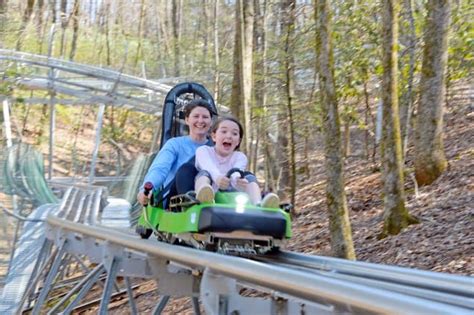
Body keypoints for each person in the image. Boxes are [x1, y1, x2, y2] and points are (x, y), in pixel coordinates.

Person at [137, 99, 214, 206]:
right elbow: (160, 169)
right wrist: (147, 188)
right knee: (186, 170)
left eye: (205, 117)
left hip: (211, 200)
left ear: (211, 122)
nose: (200, 120)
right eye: (196, 116)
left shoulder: (217, 148)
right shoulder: (174, 144)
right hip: (177, 201)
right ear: (187, 120)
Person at [194, 116, 280, 208]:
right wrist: (218, 178)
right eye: (224, 131)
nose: (229, 136)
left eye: (234, 134)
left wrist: (238, 181)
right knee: (204, 173)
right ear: (214, 136)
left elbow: (236, 173)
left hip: (231, 193)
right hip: (211, 189)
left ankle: (258, 204)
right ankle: (204, 199)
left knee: (249, 176)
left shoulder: (240, 157)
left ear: (238, 141)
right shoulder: (203, 151)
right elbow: (208, 166)